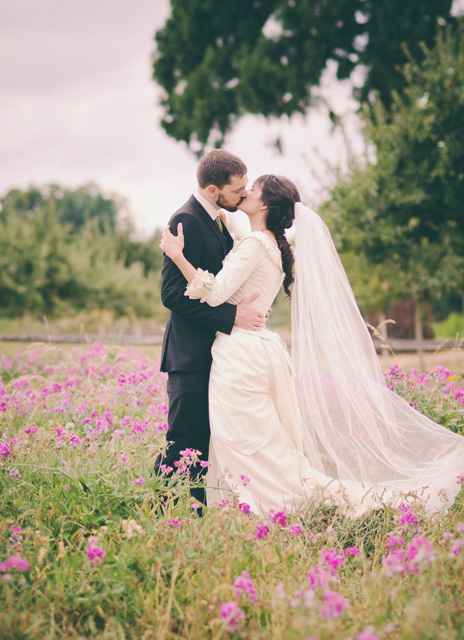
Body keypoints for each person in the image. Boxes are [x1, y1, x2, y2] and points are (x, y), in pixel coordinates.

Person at [160, 173, 464, 518]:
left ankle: (269, 505)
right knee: (262, 440)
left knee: (242, 441)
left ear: (265, 204)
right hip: (260, 349)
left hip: (240, 354)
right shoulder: (274, 247)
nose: (246, 191)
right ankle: (260, 502)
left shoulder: (254, 243)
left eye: (253, 188)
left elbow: (214, 293)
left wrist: (178, 255)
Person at [154, 150, 265, 505]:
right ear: (215, 189)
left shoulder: (217, 219)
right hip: (188, 355)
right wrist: (231, 318)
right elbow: (171, 294)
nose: (244, 194)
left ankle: (196, 515)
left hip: (213, 353)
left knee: (201, 444)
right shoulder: (185, 219)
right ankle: (162, 512)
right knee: (182, 442)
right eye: (238, 189)